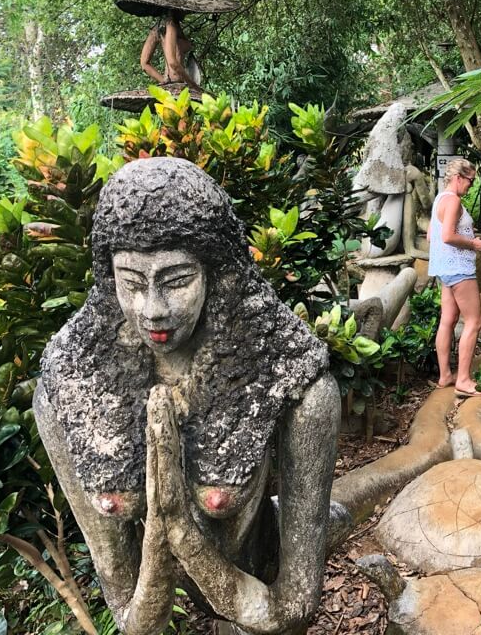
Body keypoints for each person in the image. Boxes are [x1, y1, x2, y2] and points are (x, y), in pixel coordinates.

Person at [34, 157, 338, 635]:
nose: (152, 310)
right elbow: (131, 618)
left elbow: (294, 607)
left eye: (177, 281)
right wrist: (159, 540)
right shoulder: (68, 381)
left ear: (216, 272)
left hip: (259, 583)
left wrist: (183, 535)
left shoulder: (293, 378)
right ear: (108, 276)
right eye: (131, 283)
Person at [428, 158, 481, 396]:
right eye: (470, 180)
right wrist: (474, 243)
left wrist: (467, 236)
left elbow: (431, 235)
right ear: (458, 178)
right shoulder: (453, 201)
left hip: (444, 268)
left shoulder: (440, 199)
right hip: (458, 269)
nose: (471, 185)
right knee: (475, 321)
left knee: (448, 319)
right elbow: (447, 236)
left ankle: (445, 375)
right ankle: (463, 380)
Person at [139, 10, 203, 91]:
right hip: (177, 84)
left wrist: (164, 80)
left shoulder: (157, 29)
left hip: (173, 83)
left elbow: (144, 64)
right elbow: (172, 63)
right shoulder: (170, 25)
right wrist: (193, 85)